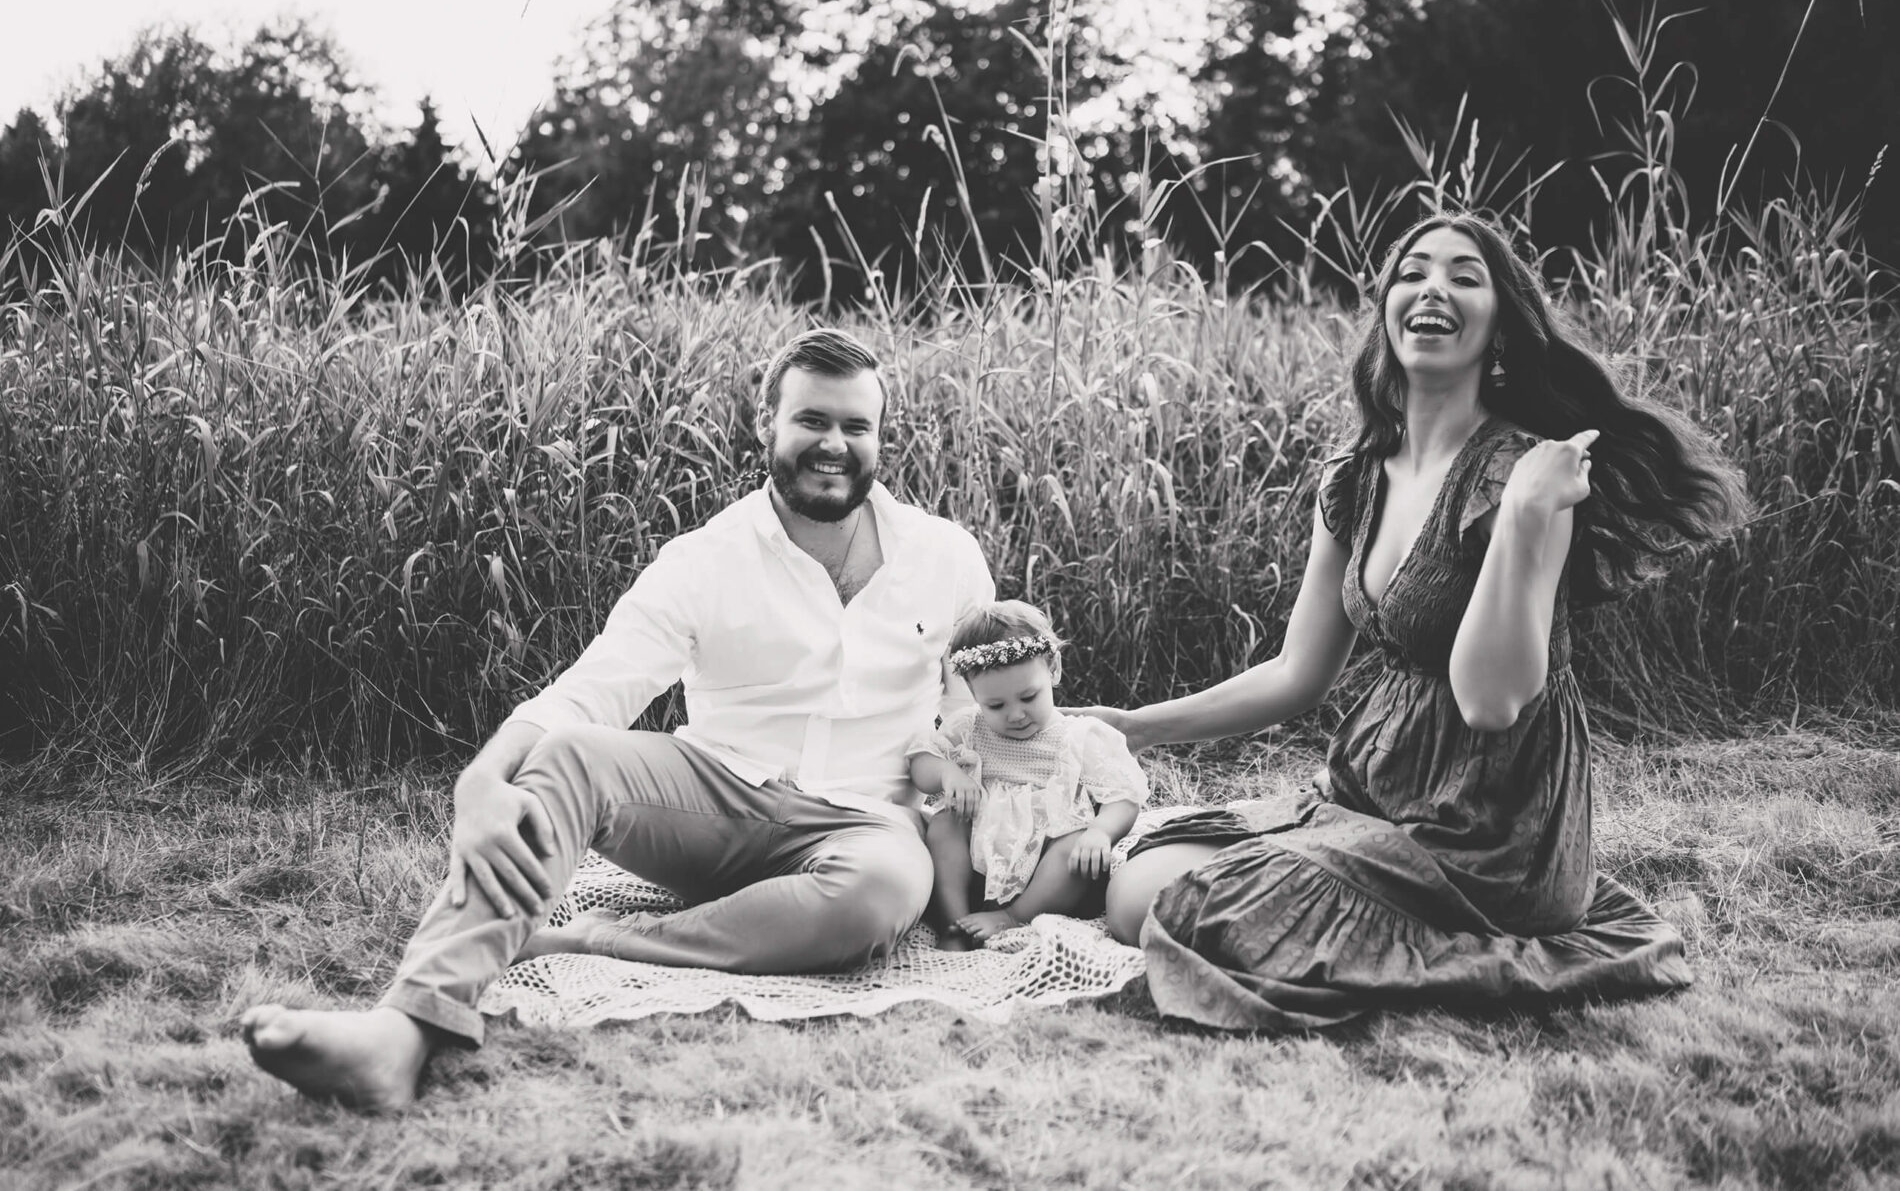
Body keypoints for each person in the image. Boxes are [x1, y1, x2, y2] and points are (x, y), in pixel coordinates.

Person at [240, 328, 996, 1108]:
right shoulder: (706, 558)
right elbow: (592, 688)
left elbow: (982, 703)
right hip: (718, 799)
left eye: (855, 426)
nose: (833, 443)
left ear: (880, 437)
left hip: (865, 824)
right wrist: (479, 780)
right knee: (568, 755)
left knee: (881, 889)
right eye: (811, 420)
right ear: (767, 423)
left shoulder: (946, 557)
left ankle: (591, 938)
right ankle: (400, 1031)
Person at [1083, 211, 1748, 1030]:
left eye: (1465, 276)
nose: (1434, 287)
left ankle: (1476, 956)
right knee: (1143, 873)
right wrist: (1133, 728)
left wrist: (1525, 516)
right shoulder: (1357, 478)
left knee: (1164, 905)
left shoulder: (1524, 477)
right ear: (1388, 309)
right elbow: (1299, 672)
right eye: (1413, 272)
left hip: (1490, 837)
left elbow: (1490, 699)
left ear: (1500, 327)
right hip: (1372, 796)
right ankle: (1353, 907)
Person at [907, 601, 1149, 949]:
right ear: (974, 695)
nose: (1016, 714)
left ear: (1053, 670)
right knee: (946, 823)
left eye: (1028, 697)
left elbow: (1123, 797)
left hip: (1049, 880)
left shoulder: (1079, 738)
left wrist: (1100, 831)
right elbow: (920, 761)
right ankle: (955, 922)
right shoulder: (969, 728)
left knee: (1074, 843)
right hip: (978, 870)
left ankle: (1013, 918)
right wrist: (947, 773)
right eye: (996, 705)